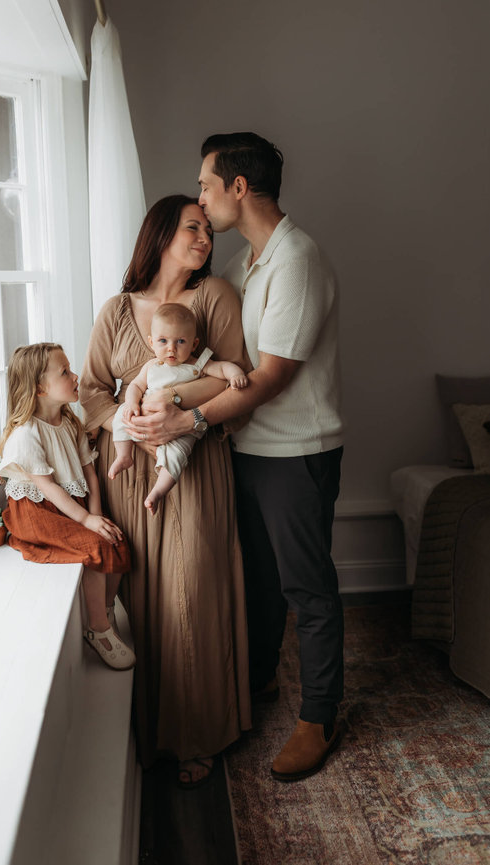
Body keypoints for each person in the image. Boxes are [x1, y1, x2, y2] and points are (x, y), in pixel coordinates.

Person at [125, 133, 345, 782]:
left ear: (237, 188)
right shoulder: (246, 266)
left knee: (306, 585)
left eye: (204, 185)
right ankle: (257, 686)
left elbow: (270, 376)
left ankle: (320, 716)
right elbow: (224, 369)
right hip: (248, 446)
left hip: (295, 450)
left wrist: (186, 417)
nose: (199, 197)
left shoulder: (297, 260)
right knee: (258, 581)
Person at [79, 195, 251, 787]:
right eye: (192, 227)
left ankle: (195, 734)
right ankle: (145, 736)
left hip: (196, 470)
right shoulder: (116, 310)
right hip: (128, 476)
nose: (206, 238)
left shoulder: (216, 297)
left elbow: (238, 383)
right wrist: (129, 427)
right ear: (158, 235)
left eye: (208, 229)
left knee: (193, 596)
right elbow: (94, 390)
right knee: (146, 601)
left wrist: (175, 406)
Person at [0, 342, 134, 670]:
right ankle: (98, 630)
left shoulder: (71, 423)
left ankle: (104, 608)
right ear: (40, 387)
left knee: (116, 540)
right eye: (65, 372)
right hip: (36, 510)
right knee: (93, 547)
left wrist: (96, 513)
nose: (76, 377)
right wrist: (86, 520)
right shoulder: (26, 434)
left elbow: (90, 471)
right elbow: (47, 487)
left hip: (71, 504)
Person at [109, 302, 248, 514]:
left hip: (183, 425)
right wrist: (131, 403)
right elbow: (135, 386)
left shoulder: (198, 364)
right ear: (151, 342)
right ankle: (124, 455)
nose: (171, 348)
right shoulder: (152, 366)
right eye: (163, 341)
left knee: (177, 455)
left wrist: (234, 374)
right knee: (120, 416)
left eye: (180, 341)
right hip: (145, 418)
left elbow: (221, 367)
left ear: (194, 344)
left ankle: (158, 491)